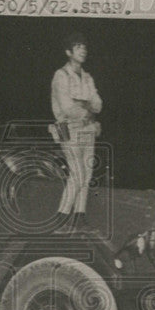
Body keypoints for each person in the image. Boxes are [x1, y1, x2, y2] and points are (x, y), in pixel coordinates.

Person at [51, 32, 102, 227]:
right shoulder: (61, 75)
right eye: (78, 48)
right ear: (68, 52)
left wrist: (84, 104)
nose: (83, 51)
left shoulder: (87, 77)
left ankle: (79, 215)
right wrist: (86, 106)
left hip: (88, 130)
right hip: (68, 129)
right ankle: (61, 215)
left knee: (87, 173)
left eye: (85, 48)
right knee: (77, 173)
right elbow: (66, 107)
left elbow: (98, 104)